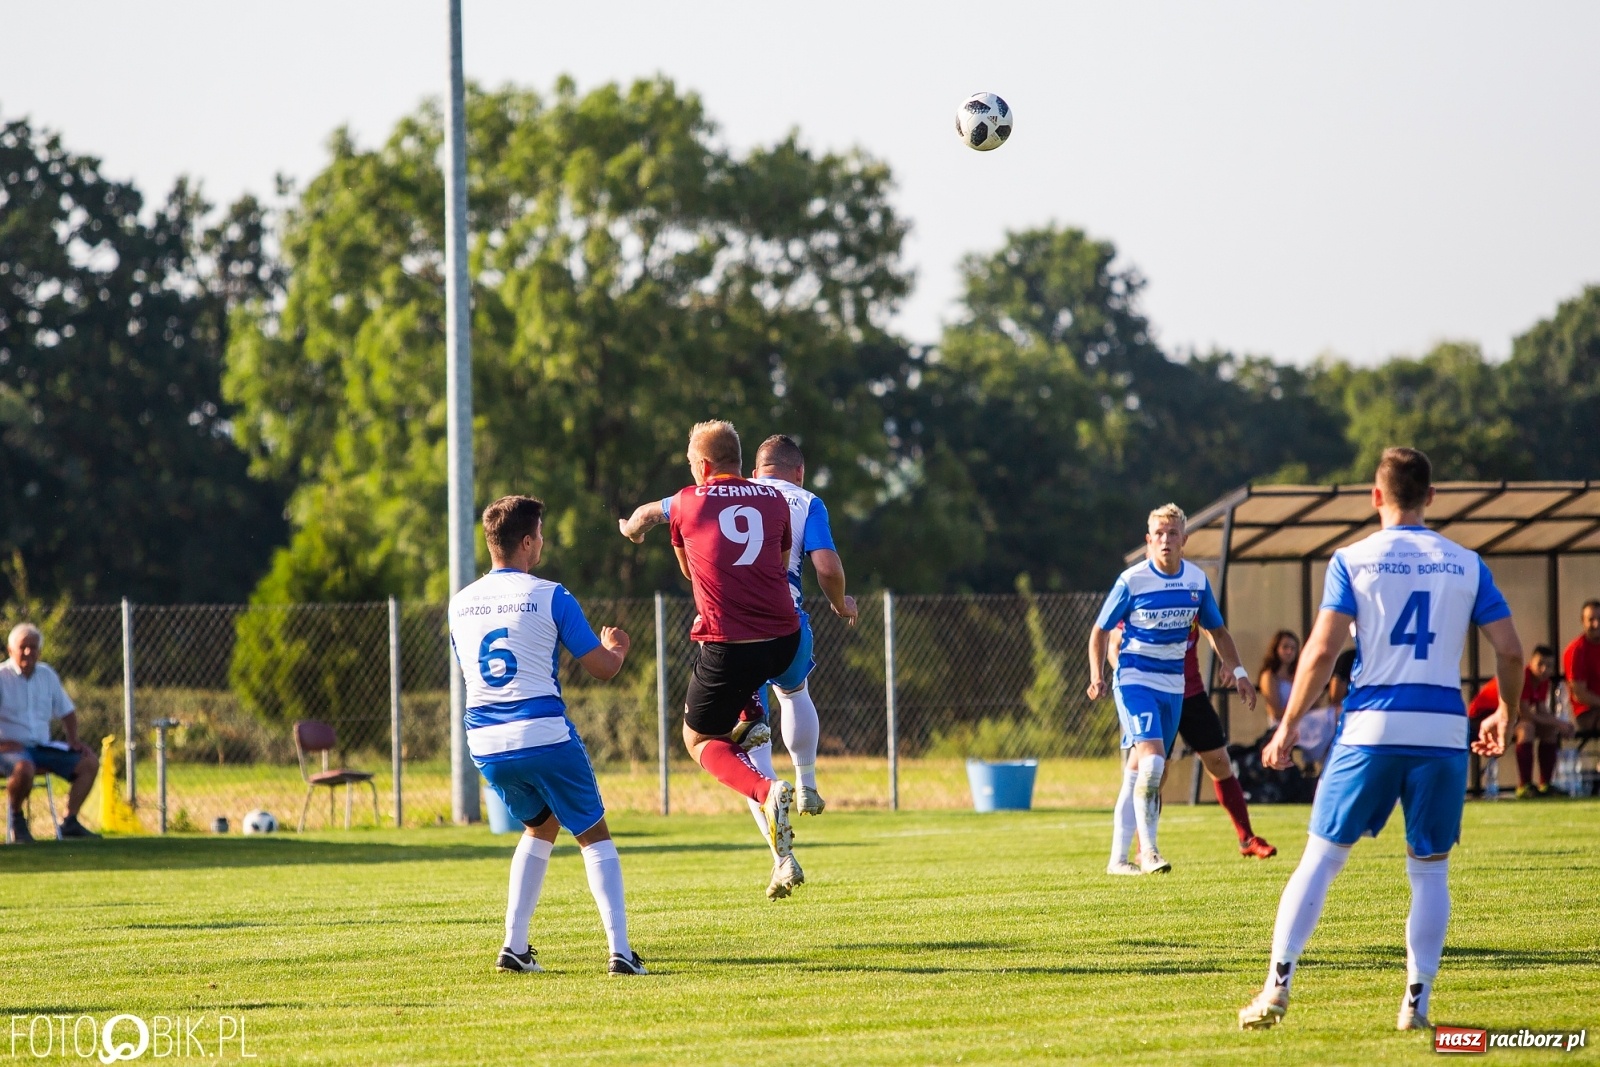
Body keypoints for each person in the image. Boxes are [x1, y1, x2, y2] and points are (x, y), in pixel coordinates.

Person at [1239, 447, 1523, 1033]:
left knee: (1321, 859)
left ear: (1376, 496)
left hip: (1370, 728)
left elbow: (1320, 652)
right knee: (1429, 872)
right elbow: (1512, 650)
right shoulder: (1467, 563)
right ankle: (1415, 1005)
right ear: (1432, 496)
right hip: (1442, 730)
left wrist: (1288, 726)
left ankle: (1276, 987)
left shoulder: (1353, 558)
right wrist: (1507, 714)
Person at [448, 495, 645, 976]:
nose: (544, 542)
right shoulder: (551, 594)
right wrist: (616, 648)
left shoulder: (459, 603)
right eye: (541, 533)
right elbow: (600, 669)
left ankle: (514, 947)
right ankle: (621, 952)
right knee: (594, 835)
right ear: (528, 541)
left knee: (540, 826)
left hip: (486, 742)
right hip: (542, 731)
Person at [622, 433, 856, 830]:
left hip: (731, 632)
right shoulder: (796, 501)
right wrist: (839, 603)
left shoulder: (699, 497)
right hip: (786, 624)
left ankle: (774, 825)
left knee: (731, 737)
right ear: (799, 472)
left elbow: (652, 517)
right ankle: (807, 781)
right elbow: (824, 568)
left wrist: (630, 529)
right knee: (795, 692)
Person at [620, 420, 805, 901]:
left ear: (701, 466)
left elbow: (682, 562)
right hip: (783, 637)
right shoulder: (775, 499)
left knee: (699, 737)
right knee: (750, 686)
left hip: (730, 644)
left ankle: (766, 792)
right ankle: (753, 717)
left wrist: (630, 531)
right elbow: (779, 559)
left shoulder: (686, 501)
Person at [1088, 503, 1258, 876]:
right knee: (1152, 765)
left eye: (1172, 534)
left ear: (1185, 538)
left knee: (1139, 771)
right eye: (1158, 535)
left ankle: (1117, 860)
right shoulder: (1132, 581)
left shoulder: (1196, 582)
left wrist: (1240, 672)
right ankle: (1149, 852)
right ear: (1149, 541)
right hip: (1134, 679)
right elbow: (1101, 631)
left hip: (1174, 685)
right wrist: (1098, 675)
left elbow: (1217, 631)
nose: (1166, 540)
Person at [1107, 622, 1276, 864]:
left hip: (1191, 694)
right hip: (1155, 697)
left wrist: (1228, 664)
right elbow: (1113, 642)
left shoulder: (1191, 590)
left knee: (1220, 762)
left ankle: (1247, 838)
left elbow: (1214, 629)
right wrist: (1127, 679)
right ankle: (1144, 848)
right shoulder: (1142, 589)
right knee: (1155, 770)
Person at [0, 623, 100, 842]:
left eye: (33, 647)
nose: (28, 652)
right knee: (24, 767)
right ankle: (17, 821)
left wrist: (74, 740)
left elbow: (68, 711)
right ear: (10, 650)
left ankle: (70, 822)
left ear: (39, 651)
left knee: (89, 762)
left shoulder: (47, 675)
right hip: (8, 751)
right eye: (22, 647)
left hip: (41, 747)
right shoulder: (1, 677)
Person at [1467, 645, 1565, 797]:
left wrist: (1558, 724)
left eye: (1550, 666)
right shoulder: (1523, 676)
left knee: (1549, 730)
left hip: (1506, 719)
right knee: (1526, 728)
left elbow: (1541, 710)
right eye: (1540, 664)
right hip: (1481, 721)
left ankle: (1546, 784)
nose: (1544, 669)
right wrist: (1559, 723)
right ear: (1531, 663)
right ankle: (1524, 786)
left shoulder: (1543, 681)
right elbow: (1524, 713)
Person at [1562, 600, 1600, 741]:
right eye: (1591, 620)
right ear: (1582, 621)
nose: (1596, 624)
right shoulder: (1575, 651)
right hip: (1586, 713)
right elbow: (1580, 695)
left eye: (1599, 619)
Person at [1257, 630, 1301, 727]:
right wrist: (1299, 711)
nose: (1289, 651)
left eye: (1293, 648)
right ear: (1276, 649)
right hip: (1282, 724)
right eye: (1285, 647)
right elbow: (1275, 712)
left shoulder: (1298, 674)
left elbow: (1314, 704)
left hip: (1302, 719)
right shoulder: (1269, 676)